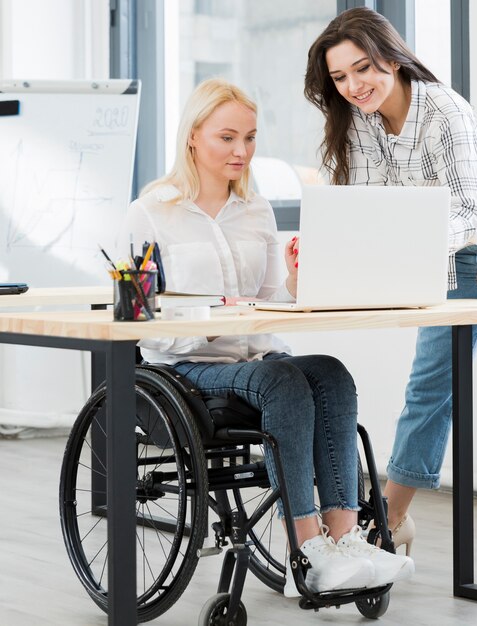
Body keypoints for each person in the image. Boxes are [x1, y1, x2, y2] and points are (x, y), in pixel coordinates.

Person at [304, 7, 477, 593]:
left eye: (364, 68)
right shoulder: (359, 123)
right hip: (451, 251)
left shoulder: (445, 110)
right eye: (342, 78)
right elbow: (375, 215)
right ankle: (392, 517)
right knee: (431, 384)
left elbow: (471, 214)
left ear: (391, 57)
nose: (355, 86)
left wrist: (404, 248)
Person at [123, 77, 414, 598]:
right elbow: (141, 315)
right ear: (193, 136)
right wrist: (203, 321)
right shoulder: (151, 212)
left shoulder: (255, 210)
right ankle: (307, 550)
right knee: (282, 379)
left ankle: (346, 543)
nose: (242, 151)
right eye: (227, 137)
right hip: (186, 366)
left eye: (251, 138)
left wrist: (297, 286)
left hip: (254, 357)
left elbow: (267, 299)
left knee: (330, 372)